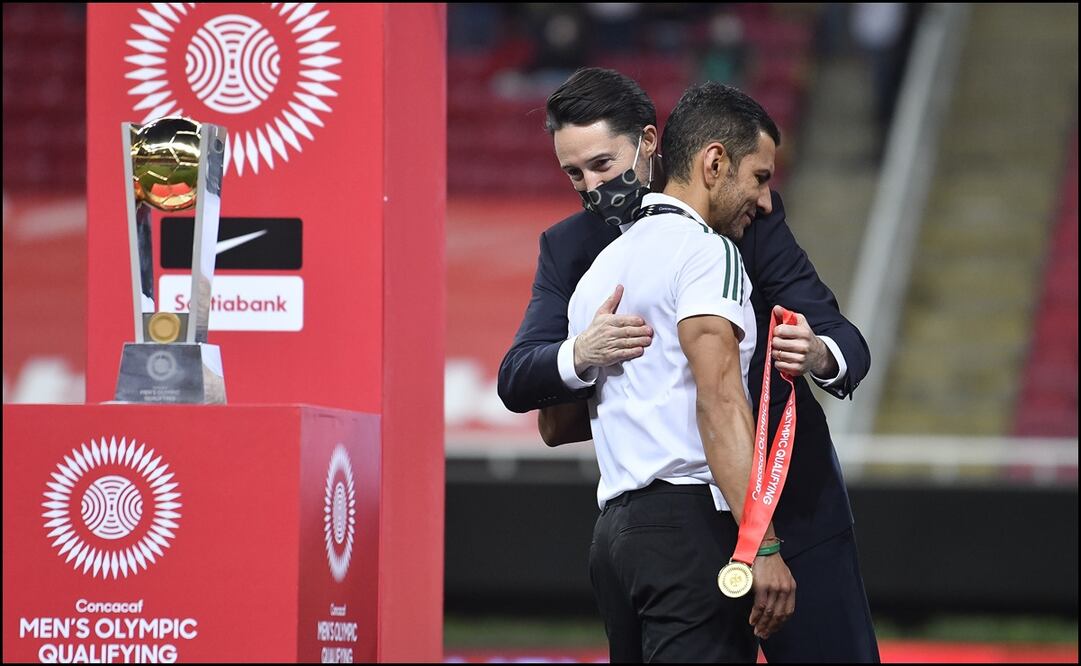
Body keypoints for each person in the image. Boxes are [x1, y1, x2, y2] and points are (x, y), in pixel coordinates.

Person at [498, 67, 880, 662]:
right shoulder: (576, 252)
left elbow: (837, 333)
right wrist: (581, 352)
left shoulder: (740, 216)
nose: (590, 187)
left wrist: (818, 352)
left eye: (601, 164)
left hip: (785, 508)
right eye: (573, 173)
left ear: (650, 143)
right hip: (689, 518)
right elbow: (522, 377)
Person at [567, 80, 794, 661]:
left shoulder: (599, 270)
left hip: (614, 538)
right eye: (759, 178)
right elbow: (719, 396)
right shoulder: (706, 251)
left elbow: (554, 425)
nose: (765, 201)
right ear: (714, 162)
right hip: (687, 527)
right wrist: (760, 546)